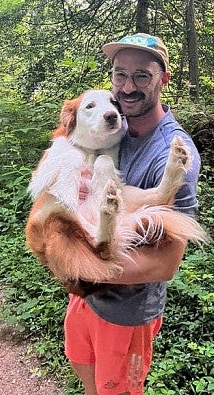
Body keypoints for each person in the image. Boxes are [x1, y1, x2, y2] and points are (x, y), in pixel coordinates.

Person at [64, 33, 201, 395]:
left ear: (163, 79)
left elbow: (165, 264)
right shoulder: (113, 126)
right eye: (119, 74)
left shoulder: (171, 151)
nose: (127, 86)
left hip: (126, 311)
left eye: (142, 76)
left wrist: (77, 268)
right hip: (85, 295)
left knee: (118, 389)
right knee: (84, 370)